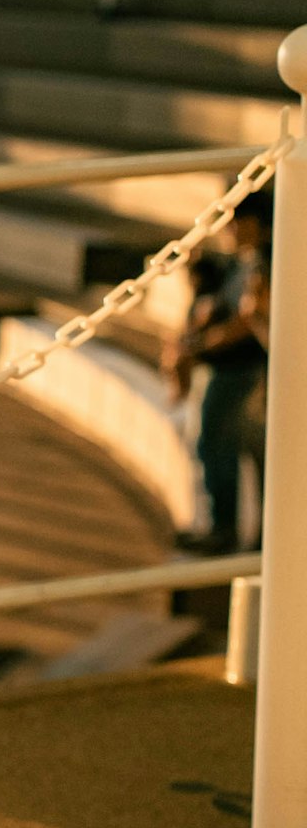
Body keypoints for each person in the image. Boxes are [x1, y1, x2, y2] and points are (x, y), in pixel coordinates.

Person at [170, 187, 269, 555]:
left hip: (242, 371)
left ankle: (226, 530)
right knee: (241, 450)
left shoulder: (263, 260)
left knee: (219, 445)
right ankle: (245, 535)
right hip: (236, 371)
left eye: (236, 221)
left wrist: (197, 347)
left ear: (253, 222)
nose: (229, 229)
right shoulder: (242, 261)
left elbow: (245, 321)